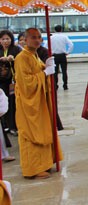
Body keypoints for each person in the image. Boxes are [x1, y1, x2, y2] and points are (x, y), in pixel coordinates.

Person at [14, 28, 63, 179]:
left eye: (39, 37)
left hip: (38, 102)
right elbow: (26, 84)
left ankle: (45, 162)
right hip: (29, 104)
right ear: (25, 40)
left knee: (43, 130)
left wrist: (46, 66)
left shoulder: (33, 55)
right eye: (33, 37)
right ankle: (33, 168)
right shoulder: (21, 58)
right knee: (31, 133)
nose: (37, 40)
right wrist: (44, 73)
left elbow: (38, 73)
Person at [0, 30, 21, 136]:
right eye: (3, 39)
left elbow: (21, 62)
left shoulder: (16, 49)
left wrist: (13, 59)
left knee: (12, 103)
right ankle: (4, 126)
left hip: (13, 81)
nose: (5, 41)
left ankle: (14, 126)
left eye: (7, 39)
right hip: (1, 81)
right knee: (2, 102)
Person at [51, 25, 73, 90]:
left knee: (55, 72)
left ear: (54, 30)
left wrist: (51, 53)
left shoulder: (51, 37)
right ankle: (65, 85)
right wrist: (67, 52)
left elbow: (46, 46)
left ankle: (56, 85)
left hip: (54, 56)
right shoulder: (64, 37)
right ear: (61, 30)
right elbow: (71, 44)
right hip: (62, 56)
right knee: (64, 71)